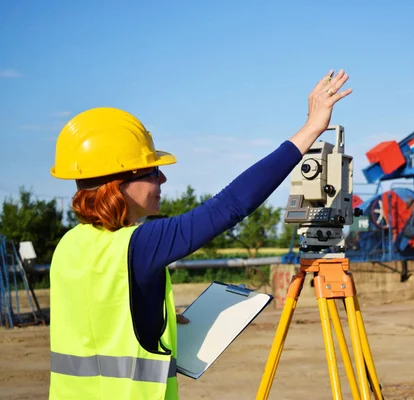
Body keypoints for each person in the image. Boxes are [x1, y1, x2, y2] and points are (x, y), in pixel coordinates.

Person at [48, 70, 352, 400]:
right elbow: (230, 206)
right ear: (118, 184)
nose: (162, 179)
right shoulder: (138, 246)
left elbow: (96, 321)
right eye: (151, 171)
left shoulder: (68, 245)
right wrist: (311, 128)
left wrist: (150, 318)